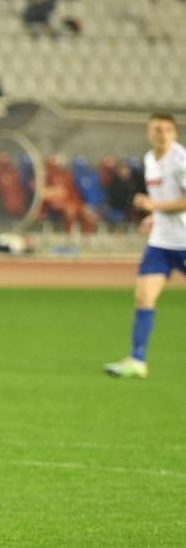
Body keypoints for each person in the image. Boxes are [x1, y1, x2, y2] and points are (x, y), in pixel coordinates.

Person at [104, 113, 186, 379]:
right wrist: (154, 217)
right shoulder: (150, 159)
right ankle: (137, 360)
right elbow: (166, 197)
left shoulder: (180, 160)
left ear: (175, 133)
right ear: (149, 133)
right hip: (161, 243)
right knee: (143, 297)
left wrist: (155, 206)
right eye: (157, 129)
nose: (162, 134)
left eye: (167, 129)